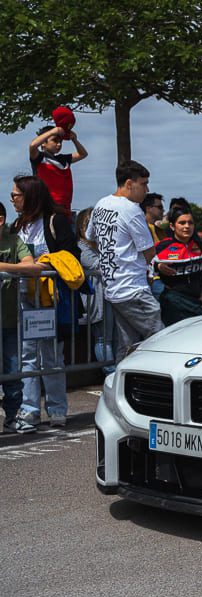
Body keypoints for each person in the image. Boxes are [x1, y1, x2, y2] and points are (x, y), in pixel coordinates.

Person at [10, 176, 78, 428]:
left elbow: (72, 254)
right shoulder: (17, 225)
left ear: (30, 196)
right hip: (23, 298)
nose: (12, 199)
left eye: (16, 194)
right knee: (26, 355)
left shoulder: (55, 221)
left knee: (51, 355)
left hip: (50, 299)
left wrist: (47, 263)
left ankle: (57, 409)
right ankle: (29, 409)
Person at [87, 160, 164, 361]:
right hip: (133, 287)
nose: (147, 189)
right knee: (161, 340)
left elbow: (91, 238)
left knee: (127, 346)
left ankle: (123, 384)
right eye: (144, 184)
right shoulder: (131, 210)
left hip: (113, 288)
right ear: (129, 183)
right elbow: (149, 252)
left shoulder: (100, 205)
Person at [0, 201, 44, 434]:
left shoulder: (13, 240)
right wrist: (16, 267)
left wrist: (3, 267)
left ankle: (11, 417)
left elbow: (34, 267)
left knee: (13, 372)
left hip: (9, 319)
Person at [152, 207, 202, 326]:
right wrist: (157, 267)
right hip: (172, 305)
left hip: (198, 303)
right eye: (182, 223)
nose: (187, 226)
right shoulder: (160, 248)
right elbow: (144, 271)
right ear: (172, 226)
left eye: (190, 223)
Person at [75, 207, 113, 373]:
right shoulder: (81, 248)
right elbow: (101, 266)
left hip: (106, 298)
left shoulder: (96, 247)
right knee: (103, 339)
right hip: (96, 301)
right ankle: (111, 373)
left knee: (109, 339)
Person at [29, 125, 88, 220]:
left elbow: (83, 154)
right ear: (43, 143)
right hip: (45, 209)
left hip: (64, 209)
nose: (59, 144)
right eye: (55, 141)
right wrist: (52, 132)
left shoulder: (63, 159)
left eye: (60, 142)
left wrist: (74, 140)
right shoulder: (39, 158)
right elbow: (32, 145)